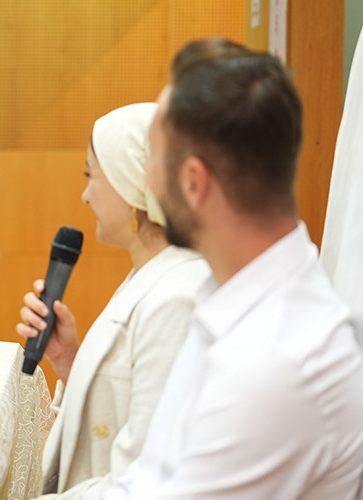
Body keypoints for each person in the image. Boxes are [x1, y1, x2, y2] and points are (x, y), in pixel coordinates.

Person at [59, 38, 363, 499]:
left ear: (194, 182)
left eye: (153, 161)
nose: (147, 181)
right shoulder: (231, 298)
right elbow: (148, 479)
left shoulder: (275, 361)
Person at [17, 103, 211, 495]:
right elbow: (124, 409)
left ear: (131, 184)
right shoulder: (150, 273)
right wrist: (68, 358)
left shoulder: (178, 298)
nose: (85, 196)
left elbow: (147, 476)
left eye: (92, 176)